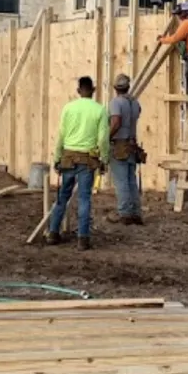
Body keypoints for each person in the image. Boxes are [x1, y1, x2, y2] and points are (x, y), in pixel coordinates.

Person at [47, 75, 110, 251]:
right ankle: (83, 238)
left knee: (62, 197)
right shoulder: (100, 110)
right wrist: (104, 159)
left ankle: (53, 232)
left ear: (78, 91)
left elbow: (60, 136)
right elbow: (103, 139)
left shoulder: (68, 108)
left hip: (67, 157)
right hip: (87, 160)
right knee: (84, 199)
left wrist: (57, 158)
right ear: (93, 90)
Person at [108, 73, 143, 226]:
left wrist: (107, 137)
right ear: (128, 87)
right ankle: (135, 212)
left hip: (119, 144)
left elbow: (116, 121)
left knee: (121, 181)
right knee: (131, 180)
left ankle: (125, 213)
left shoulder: (116, 103)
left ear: (115, 88)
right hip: (132, 145)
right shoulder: (135, 103)